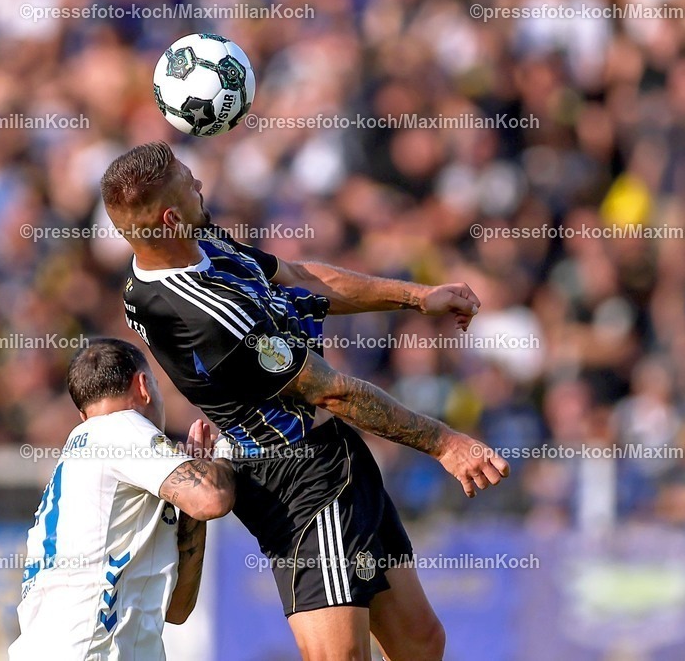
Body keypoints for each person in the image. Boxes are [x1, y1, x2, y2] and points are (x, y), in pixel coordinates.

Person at [102, 142, 511, 661]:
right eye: (189, 182)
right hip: (297, 479)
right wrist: (444, 443)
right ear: (170, 217)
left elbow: (297, 277)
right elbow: (331, 391)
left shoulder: (193, 244)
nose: (200, 185)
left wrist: (415, 296)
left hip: (336, 455)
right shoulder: (204, 316)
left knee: (420, 643)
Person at [8, 338, 235, 661]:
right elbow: (212, 498)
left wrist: (190, 508)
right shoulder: (120, 428)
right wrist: (226, 452)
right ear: (143, 386)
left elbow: (177, 609)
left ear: (83, 414)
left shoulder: (90, 458)